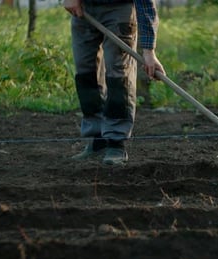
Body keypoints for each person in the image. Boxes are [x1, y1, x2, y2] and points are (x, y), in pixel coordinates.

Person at [63, 0, 165, 165]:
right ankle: (98, 140)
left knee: (119, 75)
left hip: (119, 9)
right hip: (83, 8)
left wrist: (149, 51)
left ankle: (116, 143)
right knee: (85, 73)